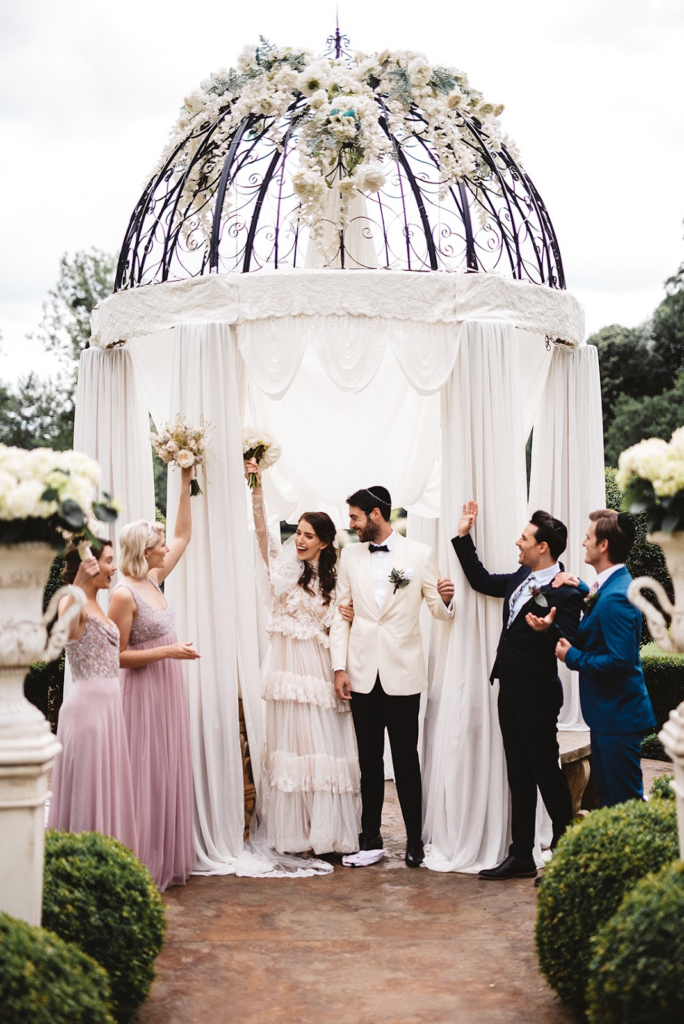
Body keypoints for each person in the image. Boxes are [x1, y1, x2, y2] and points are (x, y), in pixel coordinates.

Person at [452, 502, 584, 881]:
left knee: (547, 773)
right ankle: (521, 855)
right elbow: (481, 581)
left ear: (543, 547)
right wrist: (464, 537)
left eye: (524, 538)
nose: (518, 542)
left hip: (539, 695)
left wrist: (550, 632)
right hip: (508, 690)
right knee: (519, 776)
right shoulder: (521, 576)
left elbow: (570, 640)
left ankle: (566, 852)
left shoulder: (565, 591)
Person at [330, 485, 455, 869]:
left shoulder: (420, 555)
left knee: (405, 760)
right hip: (362, 672)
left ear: (376, 515)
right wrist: (339, 667)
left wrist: (447, 599)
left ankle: (415, 840)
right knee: (368, 760)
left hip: (403, 674)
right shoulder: (349, 557)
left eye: (354, 517)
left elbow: (436, 609)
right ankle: (371, 838)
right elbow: (341, 613)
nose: (349, 524)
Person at [246, 459, 360, 856]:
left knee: (319, 746)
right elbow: (263, 538)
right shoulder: (284, 570)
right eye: (298, 532)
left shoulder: (333, 578)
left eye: (308, 535)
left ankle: (325, 831)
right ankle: (294, 832)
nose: (300, 539)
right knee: (289, 747)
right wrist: (256, 489)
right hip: (285, 671)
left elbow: (340, 625)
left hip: (315, 670)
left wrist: (348, 614)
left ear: (324, 542)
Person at [108, 466, 197, 891]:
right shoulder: (123, 594)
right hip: (142, 690)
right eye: (159, 543)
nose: (167, 546)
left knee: (165, 766)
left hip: (166, 688)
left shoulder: (153, 578)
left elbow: (184, 535)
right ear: (144, 550)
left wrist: (183, 482)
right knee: (144, 767)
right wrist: (169, 652)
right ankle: (140, 859)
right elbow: (117, 657)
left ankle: (164, 849)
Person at [554, 510, 656, 807]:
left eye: (588, 537)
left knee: (623, 803)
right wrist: (582, 588)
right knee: (611, 798)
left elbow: (620, 661)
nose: (583, 542)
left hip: (618, 717)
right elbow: (603, 611)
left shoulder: (618, 596)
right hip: (608, 715)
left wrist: (572, 656)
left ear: (603, 546)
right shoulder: (611, 585)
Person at [48, 540, 138, 854]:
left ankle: (110, 868)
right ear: (90, 564)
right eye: (109, 561)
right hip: (87, 714)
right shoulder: (73, 603)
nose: (115, 568)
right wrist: (80, 584)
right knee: (89, 793)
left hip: (109, 713)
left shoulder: (100, 602)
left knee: (108, 792)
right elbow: (65, 631)